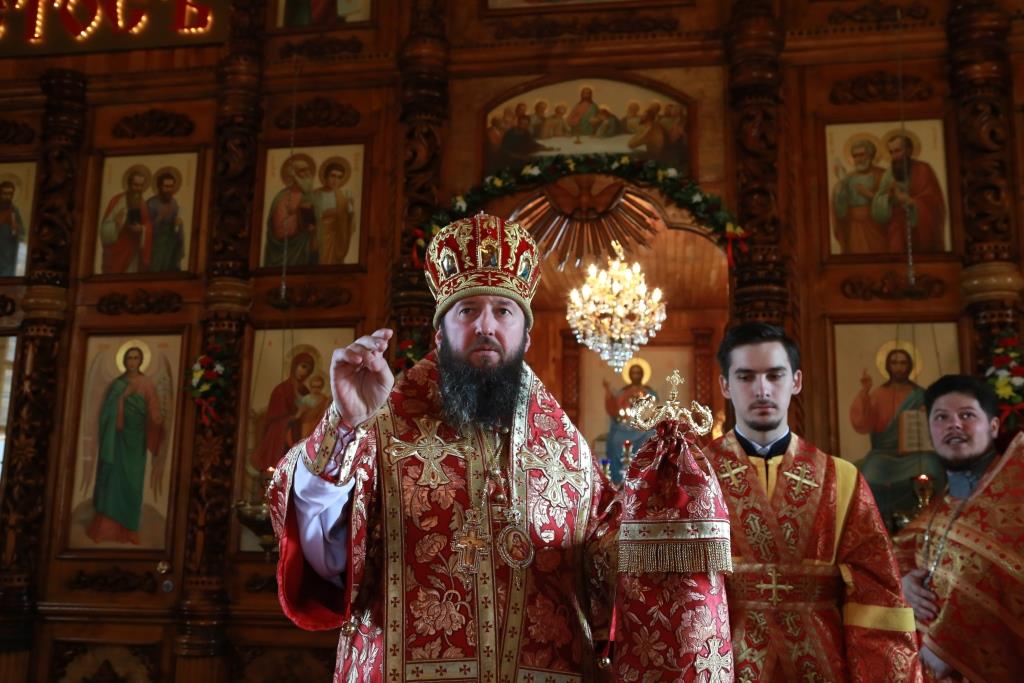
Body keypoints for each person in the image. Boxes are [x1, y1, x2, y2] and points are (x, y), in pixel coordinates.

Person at [268, 213, 732, 681]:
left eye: (503, 311)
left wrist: (662, 501)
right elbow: (323, 559)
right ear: (440, 333)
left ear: (526, 336)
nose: (485, 326)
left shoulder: (568, 451)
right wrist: (345, 423)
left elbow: (606, 574)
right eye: (467, 310)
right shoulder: (379, 424)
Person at [707, 322, 921, 682]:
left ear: (796, 381)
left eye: (775, 375)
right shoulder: (696, 476)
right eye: (746, 377)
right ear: (725, 385)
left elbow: (876, 594)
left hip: (822, 666)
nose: (762, 389)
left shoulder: (842, 478)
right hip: (722, 663)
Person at [895, 374, 1024, 682]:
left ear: (993, 427)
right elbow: (887, 568)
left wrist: (949, 644)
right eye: (941, 417)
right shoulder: (931, 515)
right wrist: (902, 585)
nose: (954, 425)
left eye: (967, 415)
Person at [849, 348, 946, 529]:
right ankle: (877, 526)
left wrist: (927, 416)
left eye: (903, 363)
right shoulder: (878, 394)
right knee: (868, 476)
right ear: (887, 366)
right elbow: (862, 424)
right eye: (894, 363)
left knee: (932, 468)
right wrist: (865, 391)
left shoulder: (920, 395)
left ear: (910, 366)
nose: (899, 367)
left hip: (916, 454)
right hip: (883, 455)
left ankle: (932, 524)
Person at [87, 347, 164, 544]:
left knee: (133, 483)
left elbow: (154, 408)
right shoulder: (117, 384)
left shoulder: (147, 384)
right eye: (129, 358)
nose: (132, 361)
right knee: (113, 480)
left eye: (136, 358)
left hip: (136, 441)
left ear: (141, 361)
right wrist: (122, 397)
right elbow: (106, 412)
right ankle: (105, 530)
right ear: (124, 360)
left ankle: (130, 530)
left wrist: (156, 418)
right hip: (116, 439)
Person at [871, 134, 947, 253]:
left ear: (909, 150)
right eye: (891, 152)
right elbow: (879, 199)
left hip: (920, 226)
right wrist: (888, 197)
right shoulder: (889, 173)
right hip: (896, 227)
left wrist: (911, 201)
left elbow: (934, 200)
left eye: (898, 151)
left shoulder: (923, 169)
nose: (894, 156)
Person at [251, 352, 314, 472]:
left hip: (300, 432)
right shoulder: (281, 390)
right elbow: (274, 420)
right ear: (295, 365)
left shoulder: (305, 391)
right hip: (280, 434)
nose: (305, 372)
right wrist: (297, 416)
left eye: (308, 370)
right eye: (303, 367)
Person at [602, 360, 656, 482]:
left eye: (638, 373)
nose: (636, 375)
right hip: (625, 427)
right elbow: (615, 409)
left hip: (643, 427)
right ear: (630, 375)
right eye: (633, 373)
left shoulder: (649, 392)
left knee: (651, 437)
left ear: (642, 375)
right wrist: (608, 391)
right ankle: (617, 479)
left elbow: (653, 409)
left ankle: (644, 477)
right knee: (614, 440)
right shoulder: (624, 391)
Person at [832, 139, 887, 253]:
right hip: (853, 228)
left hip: (876, 227)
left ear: (871, 155)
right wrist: (840, 187)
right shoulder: (848, 178)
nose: (858, 159)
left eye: (862, 155)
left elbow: (891, 202)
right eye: (855, 156)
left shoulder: (882, 175)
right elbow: (839, 209)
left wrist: (868, 194)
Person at [265, 155, 318, 267]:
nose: (308, 173)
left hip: (310, 249)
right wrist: (301, 217)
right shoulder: (283, 198)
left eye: (308, 169)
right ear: (294, 175)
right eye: (303, 170)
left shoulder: (313, 195)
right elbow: (279, 231)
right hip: (289, 254)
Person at [99, 167, 154, 274]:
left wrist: (142, 229)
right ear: (129, 184)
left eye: (141, 185)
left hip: (133, 251)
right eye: (135, 185)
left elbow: (147, 225)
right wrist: (116, 224)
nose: (138, 188)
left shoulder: (143, 204)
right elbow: (104, 229)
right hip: (117, 251)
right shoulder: (117, 201)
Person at [314, 160, 355, 265]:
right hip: (318, 237)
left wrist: (350, 212)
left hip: (336, 239)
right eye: (332, 176)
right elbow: (310, 217)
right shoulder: (315, 194)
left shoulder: (342, 197)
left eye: (339, 177)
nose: (335, 180)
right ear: (325, 176)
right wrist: (326, 214)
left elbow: (349, 222)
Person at [146, 170, 185, 272]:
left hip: (171, 244)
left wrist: (178, 224)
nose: (169, 190)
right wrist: (160, 218)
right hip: (156, 246)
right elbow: (146, 228)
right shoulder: (151, 203)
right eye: (166, 186)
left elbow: (176, 225)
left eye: (171, 186)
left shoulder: (173, 202)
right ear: (159, 187)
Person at [0, 180, 25, 277]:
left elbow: (21, 232)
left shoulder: (14, 210)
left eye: (10, 194)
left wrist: (15, 227)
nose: (8, 197)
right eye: (5, 194)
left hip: (9, 253)